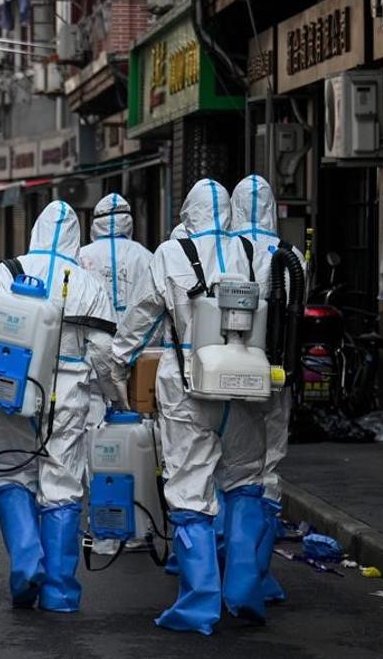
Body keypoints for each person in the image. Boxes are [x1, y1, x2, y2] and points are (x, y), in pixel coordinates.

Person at [100, 179, 269, 635]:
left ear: (189, 213)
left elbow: (142, 317)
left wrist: (117, 366)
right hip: (247, 383)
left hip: (188, 384)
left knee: (190, 488)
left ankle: (199, 606)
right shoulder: (256, 252)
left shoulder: (170, 255)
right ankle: (246, 591)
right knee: (246, 482)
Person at [0, 200, 114, 612]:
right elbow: (103, 352)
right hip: (66, 394)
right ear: (75, 237)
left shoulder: (7, 272)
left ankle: (27, 564)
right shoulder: (86, 283)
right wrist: (113, 392)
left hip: (9, 388)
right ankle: (60, 592)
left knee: (13, 474)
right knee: (61, 485)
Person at [229, 174, 306, 606]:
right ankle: (257, 571)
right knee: (268, 465)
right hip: (277, 376)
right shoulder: (291, 255)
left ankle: (234, 568)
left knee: (232, 466)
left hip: (235, 374)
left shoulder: (228, 251)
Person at [78, 193, 155, 427]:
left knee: (91, 429)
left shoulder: (81, 257)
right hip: (137, 359)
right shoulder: (147, 257)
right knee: (138, 426)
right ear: (130, 222)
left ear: (95, 223)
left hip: (90, 362)